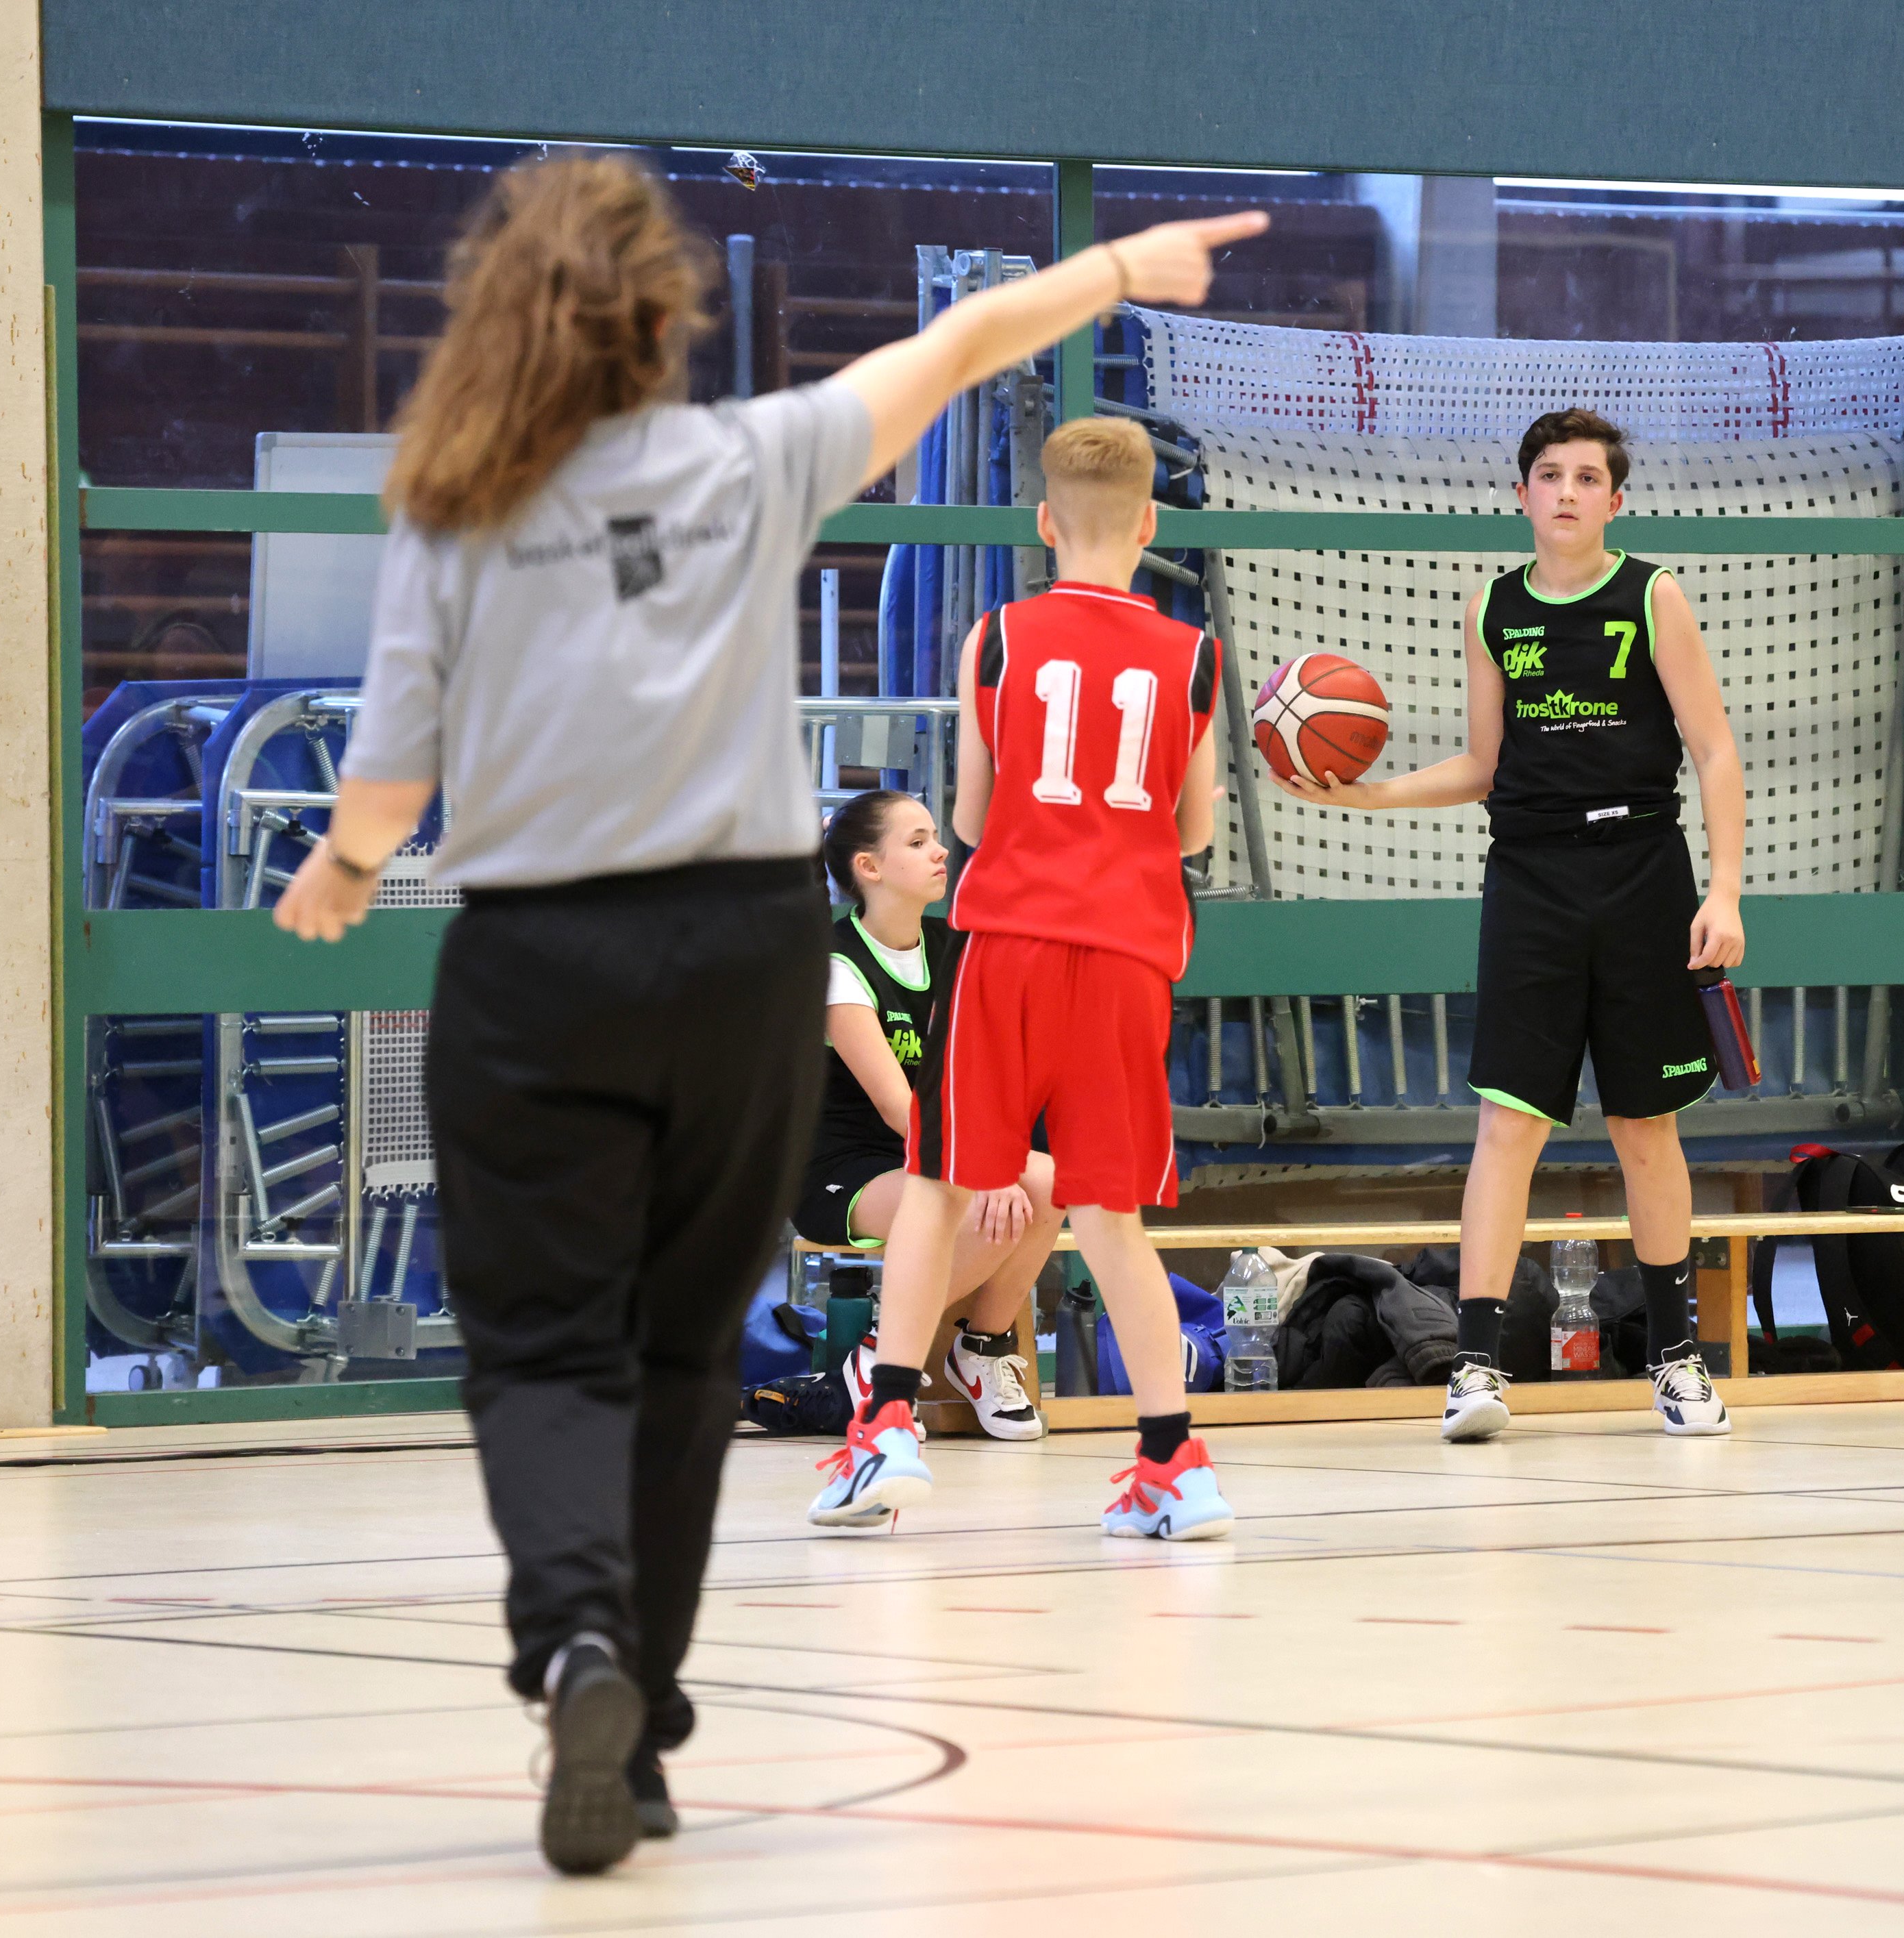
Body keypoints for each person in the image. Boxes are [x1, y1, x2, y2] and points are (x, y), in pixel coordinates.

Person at [270, 150, 1263, 1872]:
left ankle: (580, 1647)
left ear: (496, 315)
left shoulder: (455, 503)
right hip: (739, 951)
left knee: (545, 1342)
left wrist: (348, 868)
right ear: (665, 318)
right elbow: (960, 343)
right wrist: (1117, 268)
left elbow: (388, 770)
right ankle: (644, 1709)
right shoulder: (748, 457)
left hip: (541, 954)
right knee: (681, 1347)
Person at [1273, 408, 1748, 1444]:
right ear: (1521, 494)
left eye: (1587, 477)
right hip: (1531, 881)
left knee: (1645, 1128)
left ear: (1615, 499)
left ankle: (1677, 1362)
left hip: (1643, 873)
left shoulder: (1653, 595)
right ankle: (1474, 1368)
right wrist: (1369, 795)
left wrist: (1724, 892)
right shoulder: (1492, 606)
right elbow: (1484, 766)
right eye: (1550, 475)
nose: (1567, 491)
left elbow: (1713, 749)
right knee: (1507, 1125)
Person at [806, 415, 1236, 1539]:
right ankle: (1173, 1462)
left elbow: (969, 813)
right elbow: (1194, 832)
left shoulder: (997, 636)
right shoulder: (1194, 657)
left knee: (938, 1184)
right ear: (1149, 525)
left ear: (1046, 523)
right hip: (1128, 955)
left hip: (1008, 946)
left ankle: (885, 1427)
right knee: (1110, 1215)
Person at [804, 790, 1061, 1441]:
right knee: (965, 1196)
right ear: (869, 866)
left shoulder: (954, 949)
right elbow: (897, 1105)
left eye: (935, 837)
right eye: (917, 842)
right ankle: (881, 1358)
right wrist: (983, 1168)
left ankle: (981, 1348)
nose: (940, 851)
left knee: (1047, 1180)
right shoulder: (836, 963)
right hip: (847, 1167)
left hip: (937, 1155)